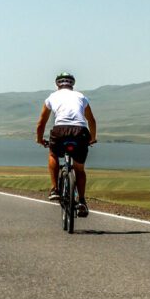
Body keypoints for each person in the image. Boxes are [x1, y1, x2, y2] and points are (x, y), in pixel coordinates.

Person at [35, 72, 97, 217]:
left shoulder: (52, 97)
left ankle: (55, 188)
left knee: (53, 153)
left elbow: (41, 124)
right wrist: (92, 138)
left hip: (60, 131)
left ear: (57, 84)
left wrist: (39, 139)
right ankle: (81, 201)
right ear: (72, 85)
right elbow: (91, 121)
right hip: (80, 132)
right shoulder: (81, 97)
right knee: (79, 169)